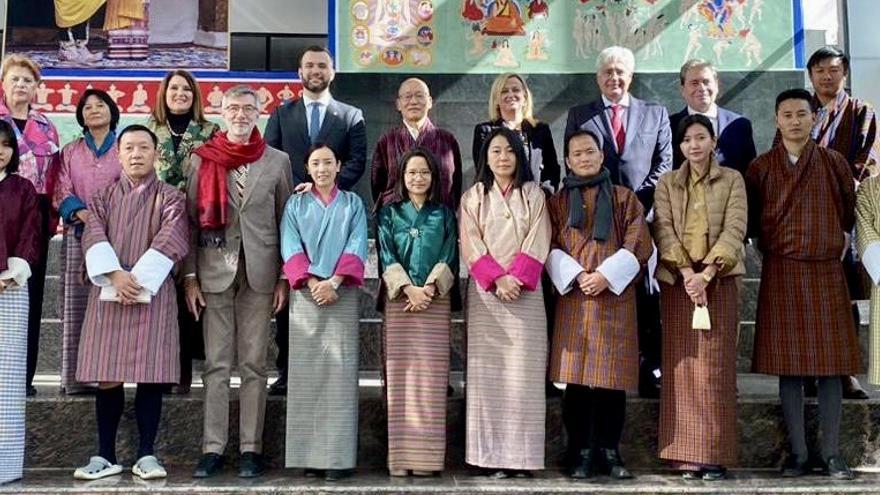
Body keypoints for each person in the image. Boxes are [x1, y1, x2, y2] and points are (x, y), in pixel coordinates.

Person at [746, 89, 859, 480]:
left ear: (814, 119)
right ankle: (796, 452)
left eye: (801, 114)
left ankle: (830, 452)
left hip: (825, 268)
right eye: (786, 114)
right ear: (776, 120)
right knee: (788, 368)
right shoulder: (760, 168)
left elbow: (847, 214)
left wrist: (834, 243)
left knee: (830, 367)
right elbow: (754, 223)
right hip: (782, 269)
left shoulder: (834, 163)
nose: (794, 121)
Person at [184, 86, 292, 479]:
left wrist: (283, 275)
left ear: (260, 112)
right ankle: (213, 448)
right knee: (216, 364)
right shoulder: (203, 159)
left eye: (249, 108)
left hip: (260, 275)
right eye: (234, 108)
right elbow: (191, 221)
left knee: (254, 364)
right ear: (222, 112)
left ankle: (251, 447)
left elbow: (286, 222)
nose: (241, 114)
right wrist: (190, 276)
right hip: (214, 271)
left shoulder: (277, 161)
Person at [71, 124, 189, 481]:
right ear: (118, 155)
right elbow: (93, 234)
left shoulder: (172, 197)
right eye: (129, 148)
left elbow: (172, 235)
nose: (136, 154)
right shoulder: (101, 198)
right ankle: (105, 454)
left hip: (152, 293)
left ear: (156, 153)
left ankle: (147, 454)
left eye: (143, 147)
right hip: (110, 291)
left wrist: (135, 279)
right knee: (107, 375)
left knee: (151, 375)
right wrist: (115, 276)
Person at [564, 45, 672, 398]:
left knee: (646, 294)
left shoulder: (655, 114)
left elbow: (664, 163)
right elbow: (575, 162)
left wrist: (633, 204)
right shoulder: (580, 114)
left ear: (631, 75)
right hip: (593, 224)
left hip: (642, 216)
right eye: (607, 72)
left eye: (620, 71)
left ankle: (649, 368)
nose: (614, 78)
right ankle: (596, 369)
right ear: (598, 77)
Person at [546, 129, 652, 480]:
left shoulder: (624, 198)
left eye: (590, 152)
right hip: (575, 297)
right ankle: (580, 451)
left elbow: (639, 242)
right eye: (577, 154)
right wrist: (578, 276)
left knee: (612, 380)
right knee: (576, 382)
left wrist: (606, 275)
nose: (584, 158)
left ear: (601, 155)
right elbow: (548, 245)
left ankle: (610, 451)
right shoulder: (558, 202)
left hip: (614, 298)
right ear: (567, 160)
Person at [265, 45, 366, 396]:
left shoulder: (351, 115)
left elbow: (356, 160)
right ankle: (287, 370)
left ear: (332, 72)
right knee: (289, 295)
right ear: (299, 72)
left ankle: (334, 371)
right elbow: (271, 158)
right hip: (293, 210)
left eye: (322, 65)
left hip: (335, 212)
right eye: (309, 65)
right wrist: (299, 191)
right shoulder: (281, 114)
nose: (315, 70)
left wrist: (327, 184)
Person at [653, 114, 747, 481]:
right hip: (679, 284)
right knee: (682, 370)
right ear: (679, 147)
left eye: (701, 137)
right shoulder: (666, 183)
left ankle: (714, 455)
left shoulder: (733, 179)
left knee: (715, 370)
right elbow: (662, 227)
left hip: (719, 283)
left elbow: (735, 227)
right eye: (687, 140)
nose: (694, 145)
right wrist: (688, 274)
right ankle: (686, 455)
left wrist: (708, 272)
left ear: (713, 141)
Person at [459, 127, 551, 478]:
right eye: (495, 151)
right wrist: (497, 278)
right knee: (489, 378)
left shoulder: (534, 194)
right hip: (487, 296)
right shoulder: (473, 196)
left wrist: (517, 277)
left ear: (519, 155)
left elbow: (539, 237)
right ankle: (491, 457)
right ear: (485, 157)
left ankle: (522, 458)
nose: (502, 157)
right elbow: (470, 243)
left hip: (526, 293)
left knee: (524, 377)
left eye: (509, 151)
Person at [281, 143, 368, 482]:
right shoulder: (296, 202)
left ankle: (337, 456)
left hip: (341, 293)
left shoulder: (353, 203)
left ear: (339, 166)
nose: (322, 168)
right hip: (306, 292)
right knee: (307, 378)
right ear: (307, 167)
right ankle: (309, 456)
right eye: (315, 163)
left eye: (328, 162)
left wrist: (334, 280)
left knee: (340, 378)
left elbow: (357, 242)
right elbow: (289, 243)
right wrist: (314, 280)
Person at [377, 148, 458, 477]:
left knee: (431, 380)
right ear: (401, 177)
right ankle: (400, 460)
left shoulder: (445, 213)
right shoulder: (389, 213)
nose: (418, 178)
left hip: (434, 301)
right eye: (412, 172)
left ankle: (427, 461)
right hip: (400, 301)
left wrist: (428, 289)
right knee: (401, 379)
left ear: (434, 176)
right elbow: (385, 250)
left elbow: (450, 250)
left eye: (424, 172)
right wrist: (408, 288)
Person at [807, 46, 879, 400]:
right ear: (810, 76)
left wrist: (834, 189)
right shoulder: (801, 111)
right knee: (803, 297)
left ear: (844, 73)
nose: (826, 76)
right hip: (803, 218)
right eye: (819, 70)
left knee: (843, 298)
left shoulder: (862, 112)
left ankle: (846, 373)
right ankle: (804, 369)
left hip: (842, 217)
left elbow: (868, 162)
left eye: (833, 69)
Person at [147, 69, 218, 394]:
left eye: (186, 89)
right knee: (159, 299)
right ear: (164, 93)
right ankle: (159, 372)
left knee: (190, 299)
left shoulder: (210, 131)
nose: (180, 94)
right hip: (154, 225)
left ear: (195, 95)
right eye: (174, 88)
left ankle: (184, 374)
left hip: (196, 224)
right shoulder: (148, 129)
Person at [53, 89, 122, 394]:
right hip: (78, 234)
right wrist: (82, 214)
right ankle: (76, 379)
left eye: (100, 105)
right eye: (87, 107)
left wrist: (108, 220)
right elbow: (61, 190)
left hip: (117, 238)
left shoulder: (124, 147)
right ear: (80, 115)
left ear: (112, 110)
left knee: (109, 307)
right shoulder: (69, 151)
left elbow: (133, 187)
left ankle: (106, 376)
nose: (94, 110)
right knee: (76, 307)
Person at [0, 54, 62, 397]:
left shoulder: (45, 125)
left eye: (28, 80)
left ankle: (23, 378)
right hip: (1, 207)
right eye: (15, 79)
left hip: (35, 215)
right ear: (4, 84)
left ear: (37, 87)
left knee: (30, 297)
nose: (21, 85)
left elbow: (54, 174)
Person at [0, 120, 40, 484]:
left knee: (7, 380)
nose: (0, 150)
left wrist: (13, 272)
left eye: (5, 144)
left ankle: (5, 465)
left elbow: (31, 232)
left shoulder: (23, 188)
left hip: (10, 287)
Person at [371, 78, 462, 211]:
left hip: (439, 221)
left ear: (430, 102)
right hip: (397, 223)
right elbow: (377, 185)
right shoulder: (387, 141)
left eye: (419, 96)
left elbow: (456, 185)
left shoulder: (447, 140)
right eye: (407, 96)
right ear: (398, 104)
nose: (413, 101)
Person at [473, 72, 560, 194]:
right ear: (496, 100)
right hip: (499, 203)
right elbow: (483, 171)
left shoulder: (541, 130)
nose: (510, 94)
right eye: (504, 91)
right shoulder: (485, 131)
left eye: (515, 90)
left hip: (536, 202)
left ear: (525, 97)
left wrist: (543, 194)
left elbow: (552, 170)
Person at [669, 59, 757, 175]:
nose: (701, 88)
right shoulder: (669, 126)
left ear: (717, 86)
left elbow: (751, 173)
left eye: (706, 82)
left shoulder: (739, 125)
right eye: (694, 83)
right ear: (682, 89)